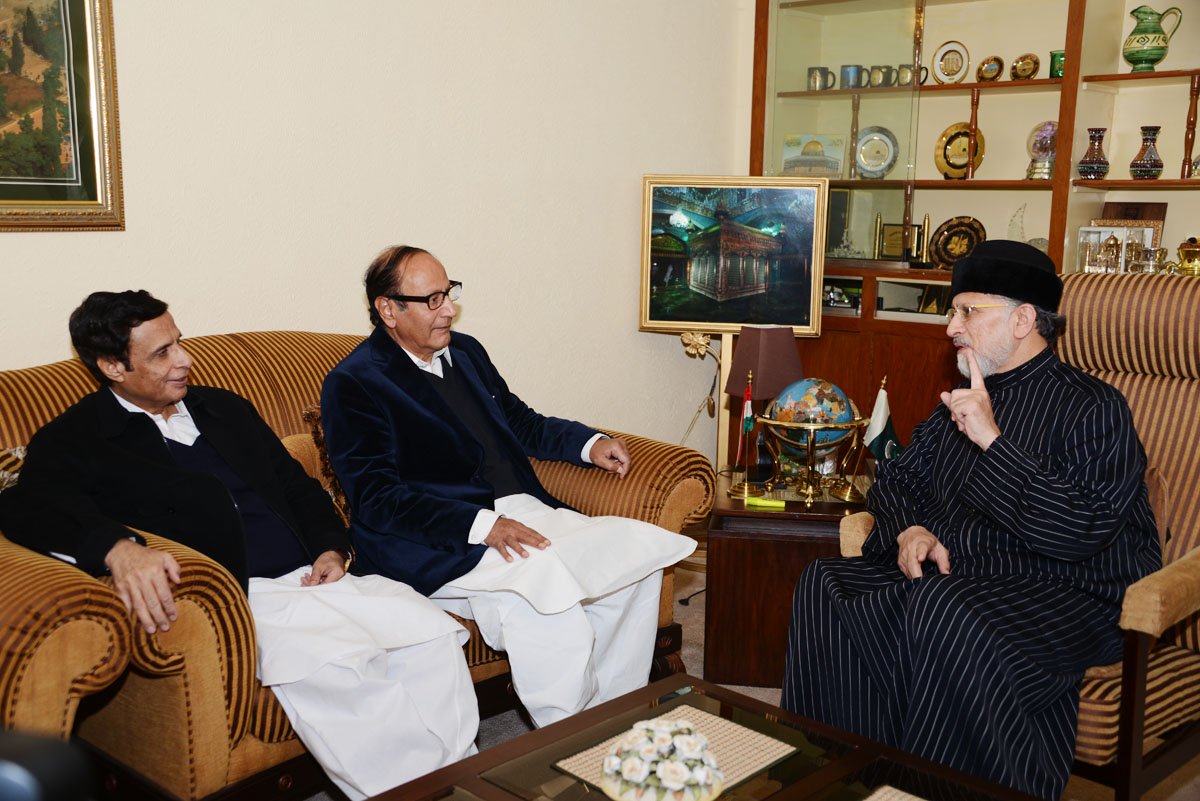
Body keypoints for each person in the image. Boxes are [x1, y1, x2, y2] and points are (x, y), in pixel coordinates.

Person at [0, 291, 478, 800]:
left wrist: (329, 548)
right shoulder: (78, 438)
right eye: (162, 353)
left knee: (430, 637)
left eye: (178, 342)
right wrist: (117, 547)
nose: (184, 360)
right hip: (242, 595)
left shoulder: (222, 407)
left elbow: (295, 485)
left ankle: (463, 782)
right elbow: (24, 509)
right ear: (113, 366)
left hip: (317, 578)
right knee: (341, 666)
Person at [780, 241, 1161, 800]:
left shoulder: (1094, 406)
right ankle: (842, 779)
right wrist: (910, 529)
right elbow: (898, 483)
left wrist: (991, 440)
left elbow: (1082, 528)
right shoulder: (955, 401)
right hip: (962, 577)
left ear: (1024, 318)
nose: (950, 326)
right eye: (951, 310)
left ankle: (932, 790)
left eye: (967, 311)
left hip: (1066, 593)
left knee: (942, 605)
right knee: (826, 583)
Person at [320, 245, 696, 728]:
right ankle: (567, 735)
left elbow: (519, 421)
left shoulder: (467, 351)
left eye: (448, 292)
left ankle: (614, 718)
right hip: (441, 540)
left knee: (634, 554)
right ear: (388, 309)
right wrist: (483, 524)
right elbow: (375, 497)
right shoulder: (355, 383)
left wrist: (588, 443)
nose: (449, 309)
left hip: (521, 509)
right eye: (432, 300)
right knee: (543, 586)